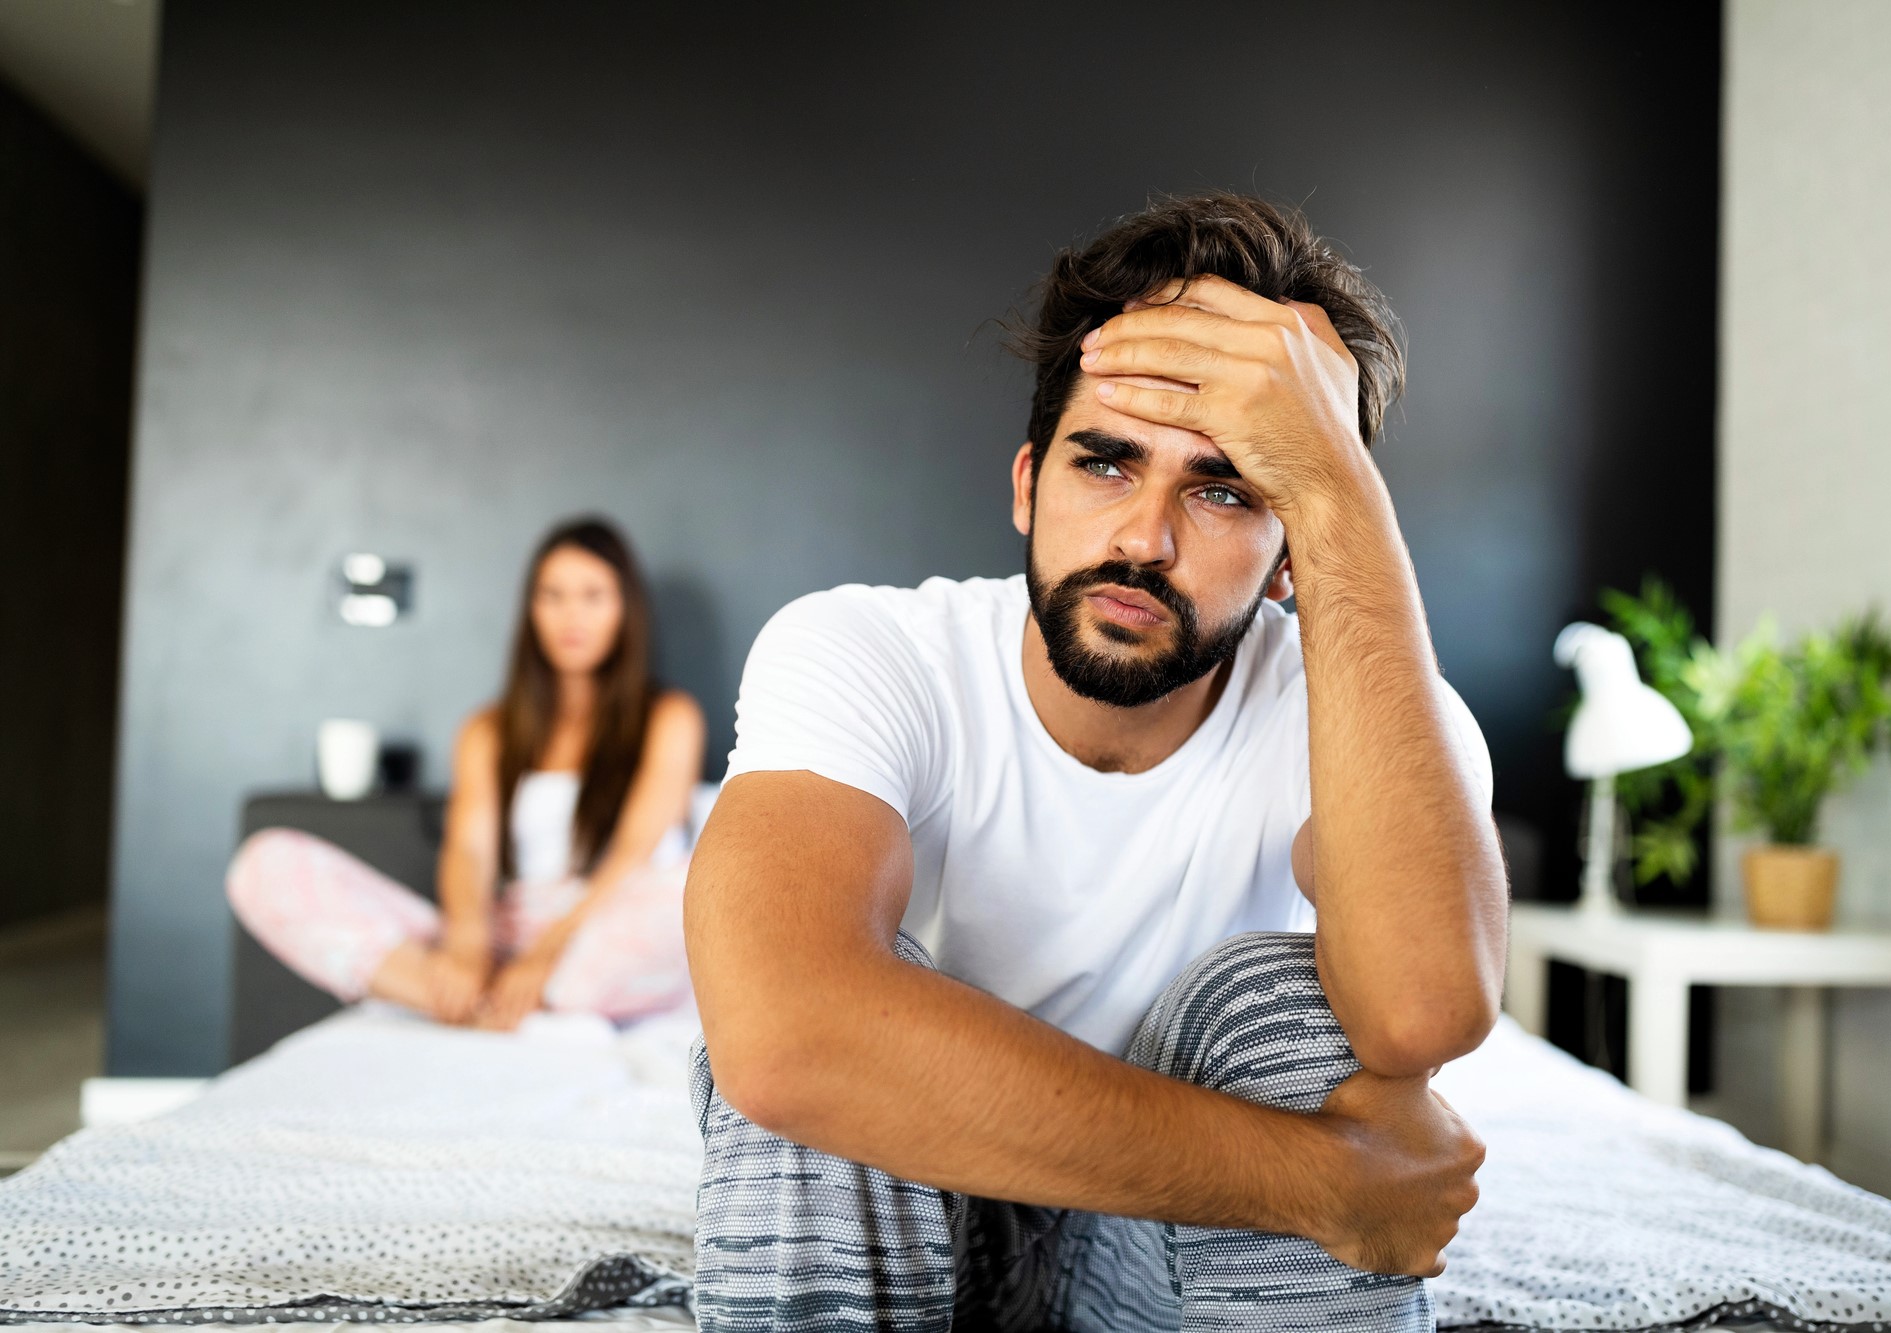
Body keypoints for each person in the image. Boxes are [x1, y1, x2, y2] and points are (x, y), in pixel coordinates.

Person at [682, 193, 1506, 1332]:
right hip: (918, 1207)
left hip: (1169, 1257)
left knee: (1280, 1008)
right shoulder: (866, 651)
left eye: (1225, 490)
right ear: (1027, 485)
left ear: (1286, 558)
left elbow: (1420, 1016)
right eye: (1105, 464)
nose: (1142, 538)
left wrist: (1336, 496)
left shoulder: (1369, 710)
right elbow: (783, 1039)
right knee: (804, 1055)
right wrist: (1321, 1179)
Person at [228, 517, 706, 1032]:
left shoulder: (669, 718)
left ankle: (499, 1001)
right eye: (553, 595)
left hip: (605, 926)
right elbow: (470, 851)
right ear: (531, 609)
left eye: (593, 595)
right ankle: (487, 1003)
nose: (573, 615)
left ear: (625, 609)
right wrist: (468, 943)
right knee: (263, 864)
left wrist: (548, 952)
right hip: (506, 932)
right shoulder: (488, 730)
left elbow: (632, 855)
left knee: (690, 890)